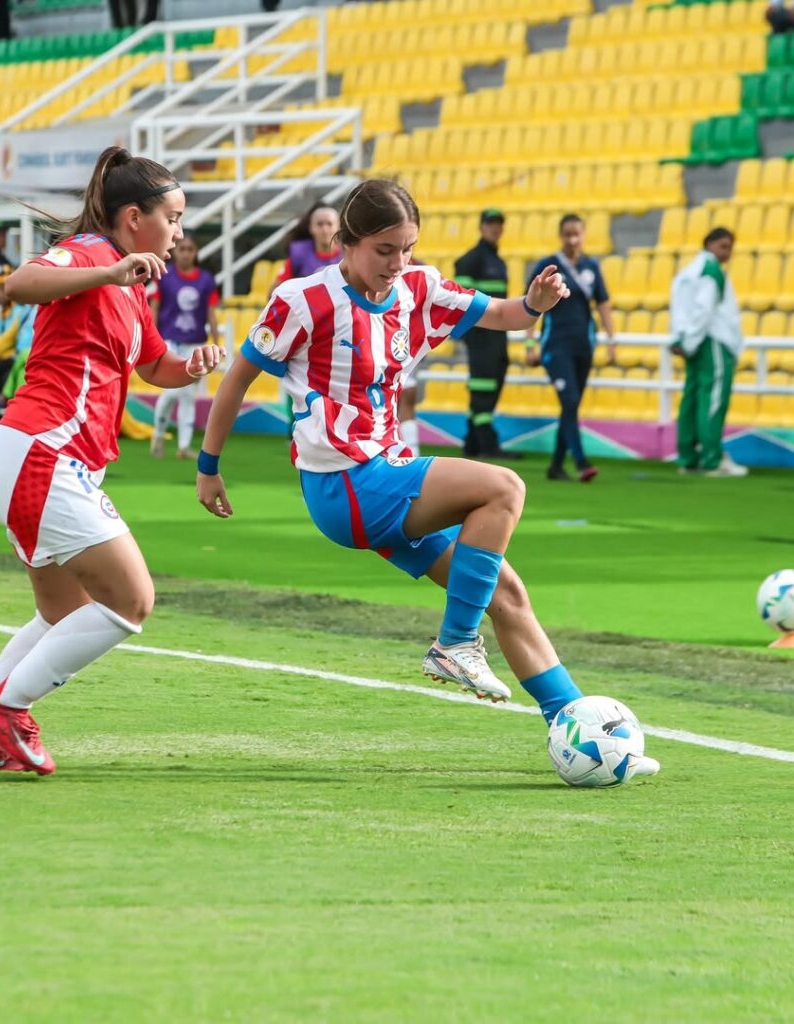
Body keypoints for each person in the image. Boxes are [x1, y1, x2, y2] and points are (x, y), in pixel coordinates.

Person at [195, 180, 647, 757]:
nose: (398, 262)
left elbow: (502, 314)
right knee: (504, 488)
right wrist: (208, 466)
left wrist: (535, 303)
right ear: (347, 243)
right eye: (384, 250)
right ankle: (455, 643)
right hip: (344, 484)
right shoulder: (303, 299)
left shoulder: (419, 287)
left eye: (407, 248)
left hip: (386, 477)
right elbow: (238, 377)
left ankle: (579, 728)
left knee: (505, 591)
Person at [0, 145, 225, 775]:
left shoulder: (131, 284)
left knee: (63, 614)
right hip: (44, 451)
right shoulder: (95, 254)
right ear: (134, 218)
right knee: (132, 599)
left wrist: (193, 365)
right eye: (173, 218)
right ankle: (5, 712)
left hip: (36, 457)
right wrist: (108, 272)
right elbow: (20, 284)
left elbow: (154, 365)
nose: (179, 232)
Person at [526, 214, 615, 483]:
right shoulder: (549, 266)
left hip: (584, 345)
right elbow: (530, 304)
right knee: (570, 400)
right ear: (560, 235)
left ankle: (555, 465)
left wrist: (611, 340)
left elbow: (603, 303)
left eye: (576, 234)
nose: (572, 239)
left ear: (584, 234)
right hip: (555, 346)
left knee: (571, 406)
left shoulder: (591, 266)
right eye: (567, 234)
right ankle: (581, 461)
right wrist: (530, 344)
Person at [671, 227, 747, 478]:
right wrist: (692, 341)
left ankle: (688, 457)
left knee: (692, 398)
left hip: (693, 340)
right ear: (709, 244)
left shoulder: (687, 272)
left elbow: (681, 309)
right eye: (723, 246)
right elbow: (704, 311)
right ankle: (712, 459)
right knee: (713, 400)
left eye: (730, 248)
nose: (727, 252)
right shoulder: (711, 271)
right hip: (713, 340)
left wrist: (681, 338)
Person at [454, 209, 518, 460]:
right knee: (484, 386)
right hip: (481, 336)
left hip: (497, 334)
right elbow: (462, 302)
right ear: (481, 227)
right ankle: (487, 443)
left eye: (498, 224)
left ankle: (472, 441)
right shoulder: (471, 260)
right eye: (490, 223)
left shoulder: (496, 260)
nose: (495, 228)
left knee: (492, 382)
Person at [150, 231, 220, 460]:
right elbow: (155, 307)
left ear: (196, 252)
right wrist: (152, 336)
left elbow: (211, 313)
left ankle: (183, 446)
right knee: (171, 392)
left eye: (190, 249)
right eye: (182, 249)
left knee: (189, 394)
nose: (186, 254)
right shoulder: (164, 276)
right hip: (170, 341)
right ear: (175, 251)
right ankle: (158, 434)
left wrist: (216, 342)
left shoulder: (206, 280)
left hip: (196, 342)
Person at [273, 201, 342, 289]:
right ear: (311, 227)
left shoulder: (349, 254)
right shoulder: (299, 253)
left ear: (338, 227)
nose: (325, 230)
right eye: (319, 224)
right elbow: (275, 291)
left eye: (329, 224)